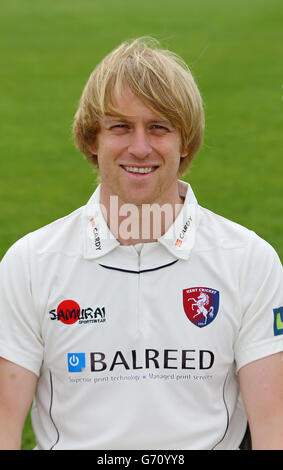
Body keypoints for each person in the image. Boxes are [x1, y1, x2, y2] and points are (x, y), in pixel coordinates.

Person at [0, 37, 283, 451]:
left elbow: (272, 429)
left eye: (159, 127)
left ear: (184, 140)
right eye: (120, 126)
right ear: (92, 139)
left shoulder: (250, 261)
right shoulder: (29, 263)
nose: (140, 147)